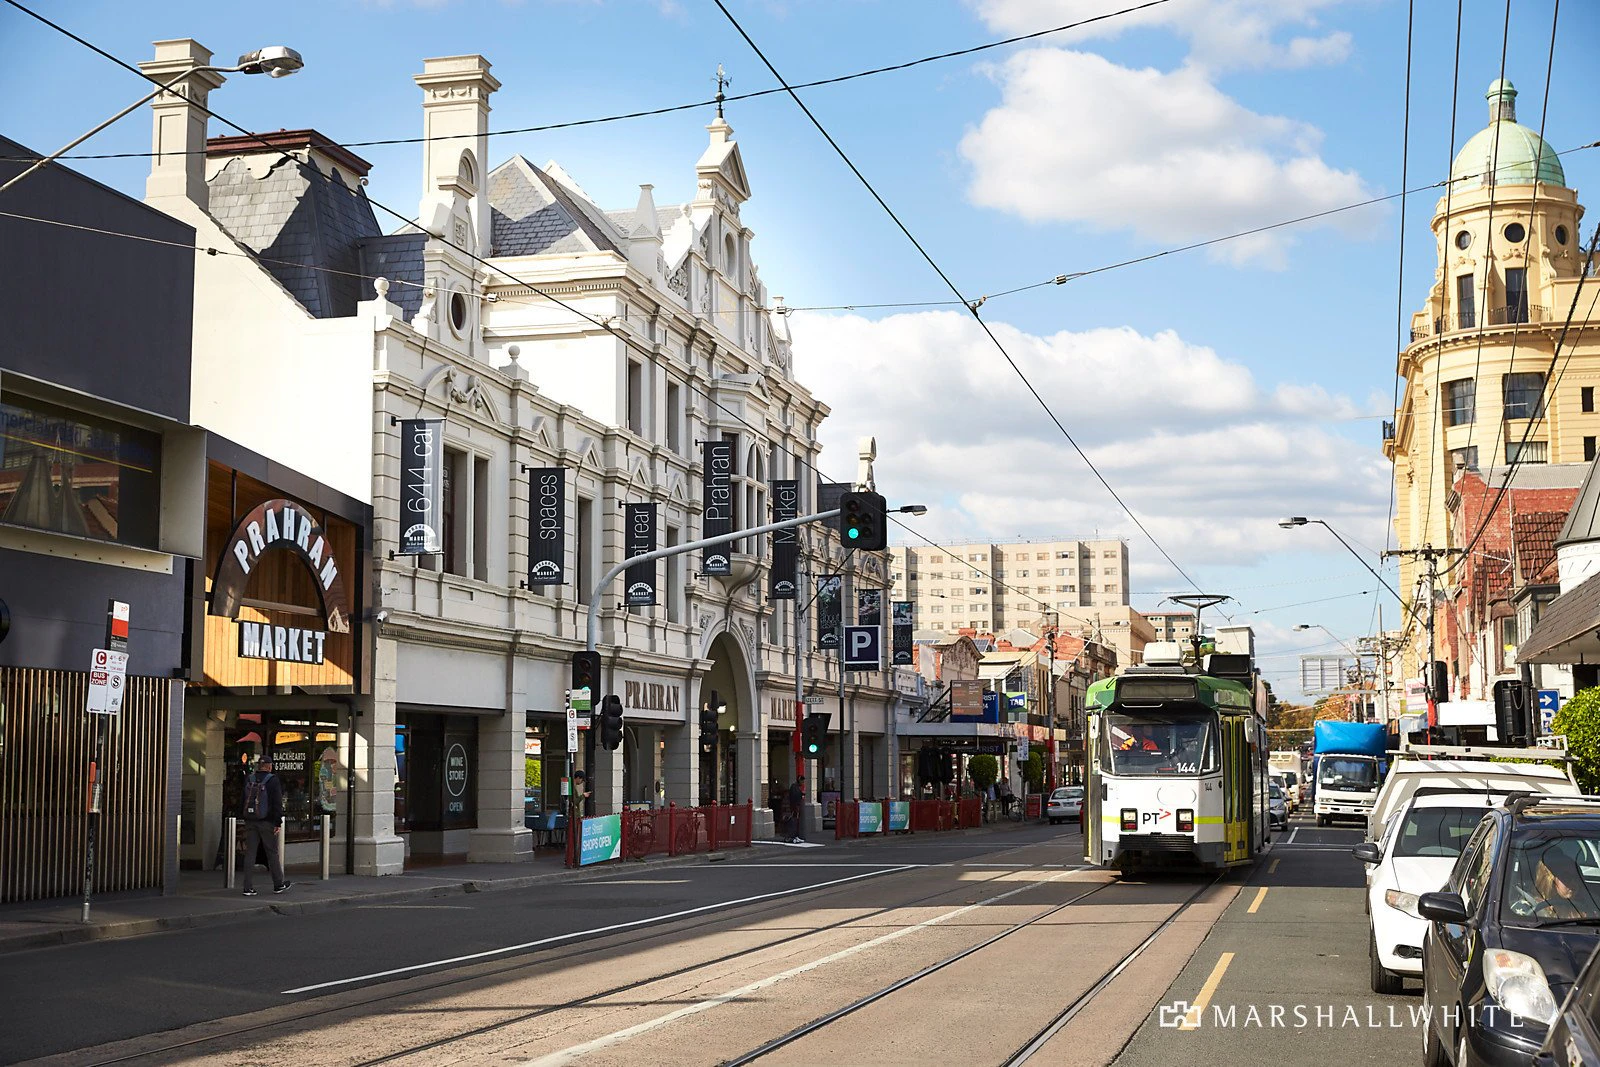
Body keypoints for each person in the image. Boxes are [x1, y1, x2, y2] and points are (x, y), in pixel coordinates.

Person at [240, 757, 291, 897]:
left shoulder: (249, 779)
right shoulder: (272, 780)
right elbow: (277, 803)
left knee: (250, 853)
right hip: (267, 822)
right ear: (269, 766)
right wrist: (277, 822)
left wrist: (245, 818)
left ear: (259, 766)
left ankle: (247, 887)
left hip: (251, 821)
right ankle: (278, 884)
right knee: (272, 852)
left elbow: (242, 800)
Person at [786, 775, 806, 843]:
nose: (803, 783)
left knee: (796, 822)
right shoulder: (794, 787)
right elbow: (795, 797)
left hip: (796, 807)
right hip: (794, 807)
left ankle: (795, 836)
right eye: (802, 781)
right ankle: (792, 836)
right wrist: (801, 795)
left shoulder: (796, 787)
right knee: (794, 822)